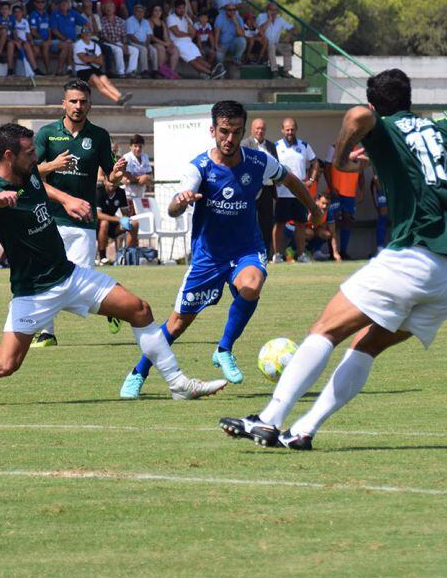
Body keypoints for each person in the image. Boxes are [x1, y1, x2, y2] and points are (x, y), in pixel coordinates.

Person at [219, 72, 447, 450]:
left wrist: (341, 157)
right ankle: (304, 430)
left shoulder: (384, 126)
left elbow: (358, 116)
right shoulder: (441, 127)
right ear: (409, 98)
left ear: (377, 105)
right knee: (365, 345)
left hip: (413, 257)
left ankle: (269, 419)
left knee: (324, 330)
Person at [0, 123, 227, 406]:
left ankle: (178, 384)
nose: (35, 156)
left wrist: (66, 199)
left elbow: (41, 180)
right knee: (5, 364)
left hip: (70, 276)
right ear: (9, 156)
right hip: (33, 293)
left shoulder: (31, 174)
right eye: (28, 152)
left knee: (139, 309)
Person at [120, 100, 323, 398]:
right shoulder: (199, 167)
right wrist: (182, 200)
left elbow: (290, 179)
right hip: (209, 258)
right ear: (213, 130)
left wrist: (314, 210)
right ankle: (138, 373)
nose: (230, 139)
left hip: (246, 250)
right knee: (176, 324)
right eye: (224, 132)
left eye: (237, 132)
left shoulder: (258, 161)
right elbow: (175, 206)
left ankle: (224, 349)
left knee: (251, 285)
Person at [33, 78, 127, 347]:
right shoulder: (47, 134)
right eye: (73, 101)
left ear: (90, 105)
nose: (78, 106)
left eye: (83, 101)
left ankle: (115, 304)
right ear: (63, 103)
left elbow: (111, 180)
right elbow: (28, 172)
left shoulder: (98, 136)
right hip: (48, 217)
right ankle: (46, 333)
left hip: (84, 219)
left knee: (81, 283)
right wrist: (52, 165)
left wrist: (117, 176)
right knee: (43, 274)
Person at [273, 117, 320, 263]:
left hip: (300, 194)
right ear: (282, 130)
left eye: (292, 129)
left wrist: (311, 180)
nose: (290, 132)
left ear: (296, 129)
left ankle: (301, 255)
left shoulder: (304, 146)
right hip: (282, 193)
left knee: (300, 224)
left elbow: (315, 162)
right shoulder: (276, 146)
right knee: (279, 224)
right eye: (287, 129)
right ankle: (277, 255)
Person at [243, 118, 278, 257]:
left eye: (262, 128)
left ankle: (266, 254)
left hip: (267, 190)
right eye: (257, 128)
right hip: (251, 190)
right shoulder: (245, 145)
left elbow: (276, 165)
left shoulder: (271, 146)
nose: (260, 131)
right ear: (252, 129)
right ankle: (247, 253)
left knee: (267, 222)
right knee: (248, 221)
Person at [322, 142, 364, 260]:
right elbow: (326, 168)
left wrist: (361, 190)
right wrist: (331, 187)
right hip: (336, 192)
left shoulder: (358, 150)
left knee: (348, 221)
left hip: (350, 193)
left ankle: (344, 251)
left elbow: (361, 172)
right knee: (332, 222)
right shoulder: (334, 148)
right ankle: (332, 253)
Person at [72, 24, 131, 105]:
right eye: (84, 31)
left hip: (94, 68)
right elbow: (84, 59)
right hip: (82, 70)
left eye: (88, 31)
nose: (86, 33)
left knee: (105, 80)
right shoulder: (78, 44)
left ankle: (120, 96)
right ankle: (117, 100)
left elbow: (100, 61)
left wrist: (90, 58)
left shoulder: (95, 45)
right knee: (98, 82)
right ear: (81, 34)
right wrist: (94, 58)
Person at [166, 0, 219, 78]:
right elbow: (177, 33)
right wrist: (188, 34)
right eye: (179, 8)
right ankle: (211, 73)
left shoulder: (187, 18)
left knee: (198, 58)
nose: (182, 10)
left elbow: (194, 33)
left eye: (183, 8)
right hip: (179, 43)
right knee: (192, 60)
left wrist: (187, 20)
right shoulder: (171, 18)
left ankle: (213, 70)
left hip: (189, 42)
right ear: (175, 8)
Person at [95, 173, 132, 264]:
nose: (112, 184)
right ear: (104, 181)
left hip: (112, 225)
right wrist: (119, 219)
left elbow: (126, 213)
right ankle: (103, 257)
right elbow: (98, 215)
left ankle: (130, 255)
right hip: (96, 225)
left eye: (114, 182)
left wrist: (126, 220)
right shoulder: (99, 191)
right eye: (109, 181)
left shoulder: (121, 192)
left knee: (133, 224)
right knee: (104, 223)